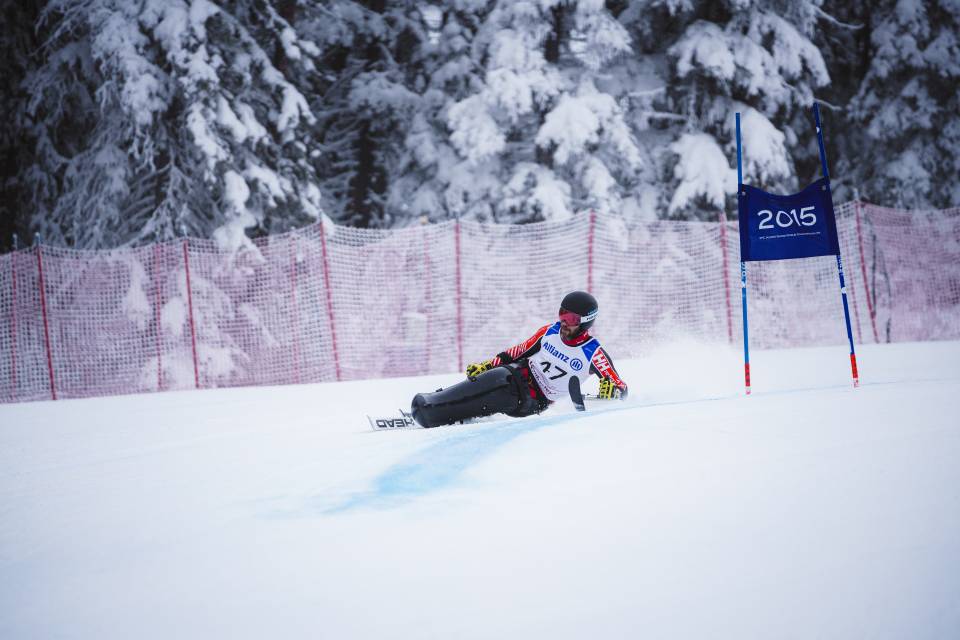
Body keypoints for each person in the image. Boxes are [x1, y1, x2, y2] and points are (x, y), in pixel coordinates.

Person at [410, 291, 629, 428]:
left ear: (585, 322)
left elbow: (620, 387)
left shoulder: (593, 352)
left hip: (533, 399)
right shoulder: (549, 332)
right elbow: (519, 351)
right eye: (562, 314)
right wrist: (489, 364)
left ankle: (434, 412)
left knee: (501, 390)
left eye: (571, 318)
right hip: (515, 372)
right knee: (496, 377)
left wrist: (610, 389)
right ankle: (439, 400)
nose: (563, 322)